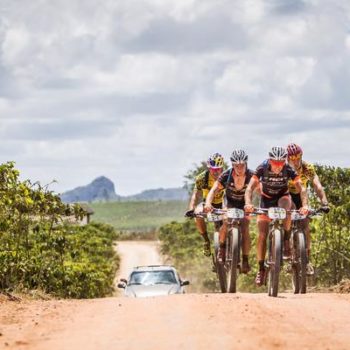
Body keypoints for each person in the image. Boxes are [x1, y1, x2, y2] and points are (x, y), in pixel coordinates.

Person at [244, 146, 308, 286]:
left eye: (281, 163)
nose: (278, 166)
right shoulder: (262, 167)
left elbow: (301, 187)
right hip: (266, 200)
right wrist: (248, 203)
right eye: (275, 163)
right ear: (270, 161)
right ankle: (261, 269)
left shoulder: (288, 169)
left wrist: (304, 205)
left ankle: (285, 241)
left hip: (282, 197)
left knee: (287, 207)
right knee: (262, 235)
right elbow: (249, 188)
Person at [205, 149, 253, 273]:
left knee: (245, 227)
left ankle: (245, 259)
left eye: (242, 165)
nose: (240, 168)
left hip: (244, 204)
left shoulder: (252, 176)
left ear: (246, 164)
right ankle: (221, 248)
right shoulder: (226, 175)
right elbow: (214, 189)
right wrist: (208, 203)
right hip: (229, 202)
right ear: (232, 165)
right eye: (237, 165)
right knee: (226, 220)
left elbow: (261, 190)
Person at [286, 143, 330, 275]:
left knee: (305, 226)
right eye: (292, 158)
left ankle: (307, 261)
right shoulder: (284, 169)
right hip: (286, 196)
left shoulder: (307, 168)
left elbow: (317, 185)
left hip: (301, 196)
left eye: (297, 157)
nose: (295, 161)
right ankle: (284, 248)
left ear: (301, 156)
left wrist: (324, 202)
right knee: (286, 220)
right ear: (288, 158)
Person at [185, 153, 225, 256]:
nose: (215, 172)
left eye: (218, 169)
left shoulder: (227, 176)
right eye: (213, 169)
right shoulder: (201, 178)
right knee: (198, 213)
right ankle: (206, 241)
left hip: (223, 203)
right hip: (207, 204)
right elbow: (195, 195)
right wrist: (191, 209)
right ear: (209, 168)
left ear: (222, 168)